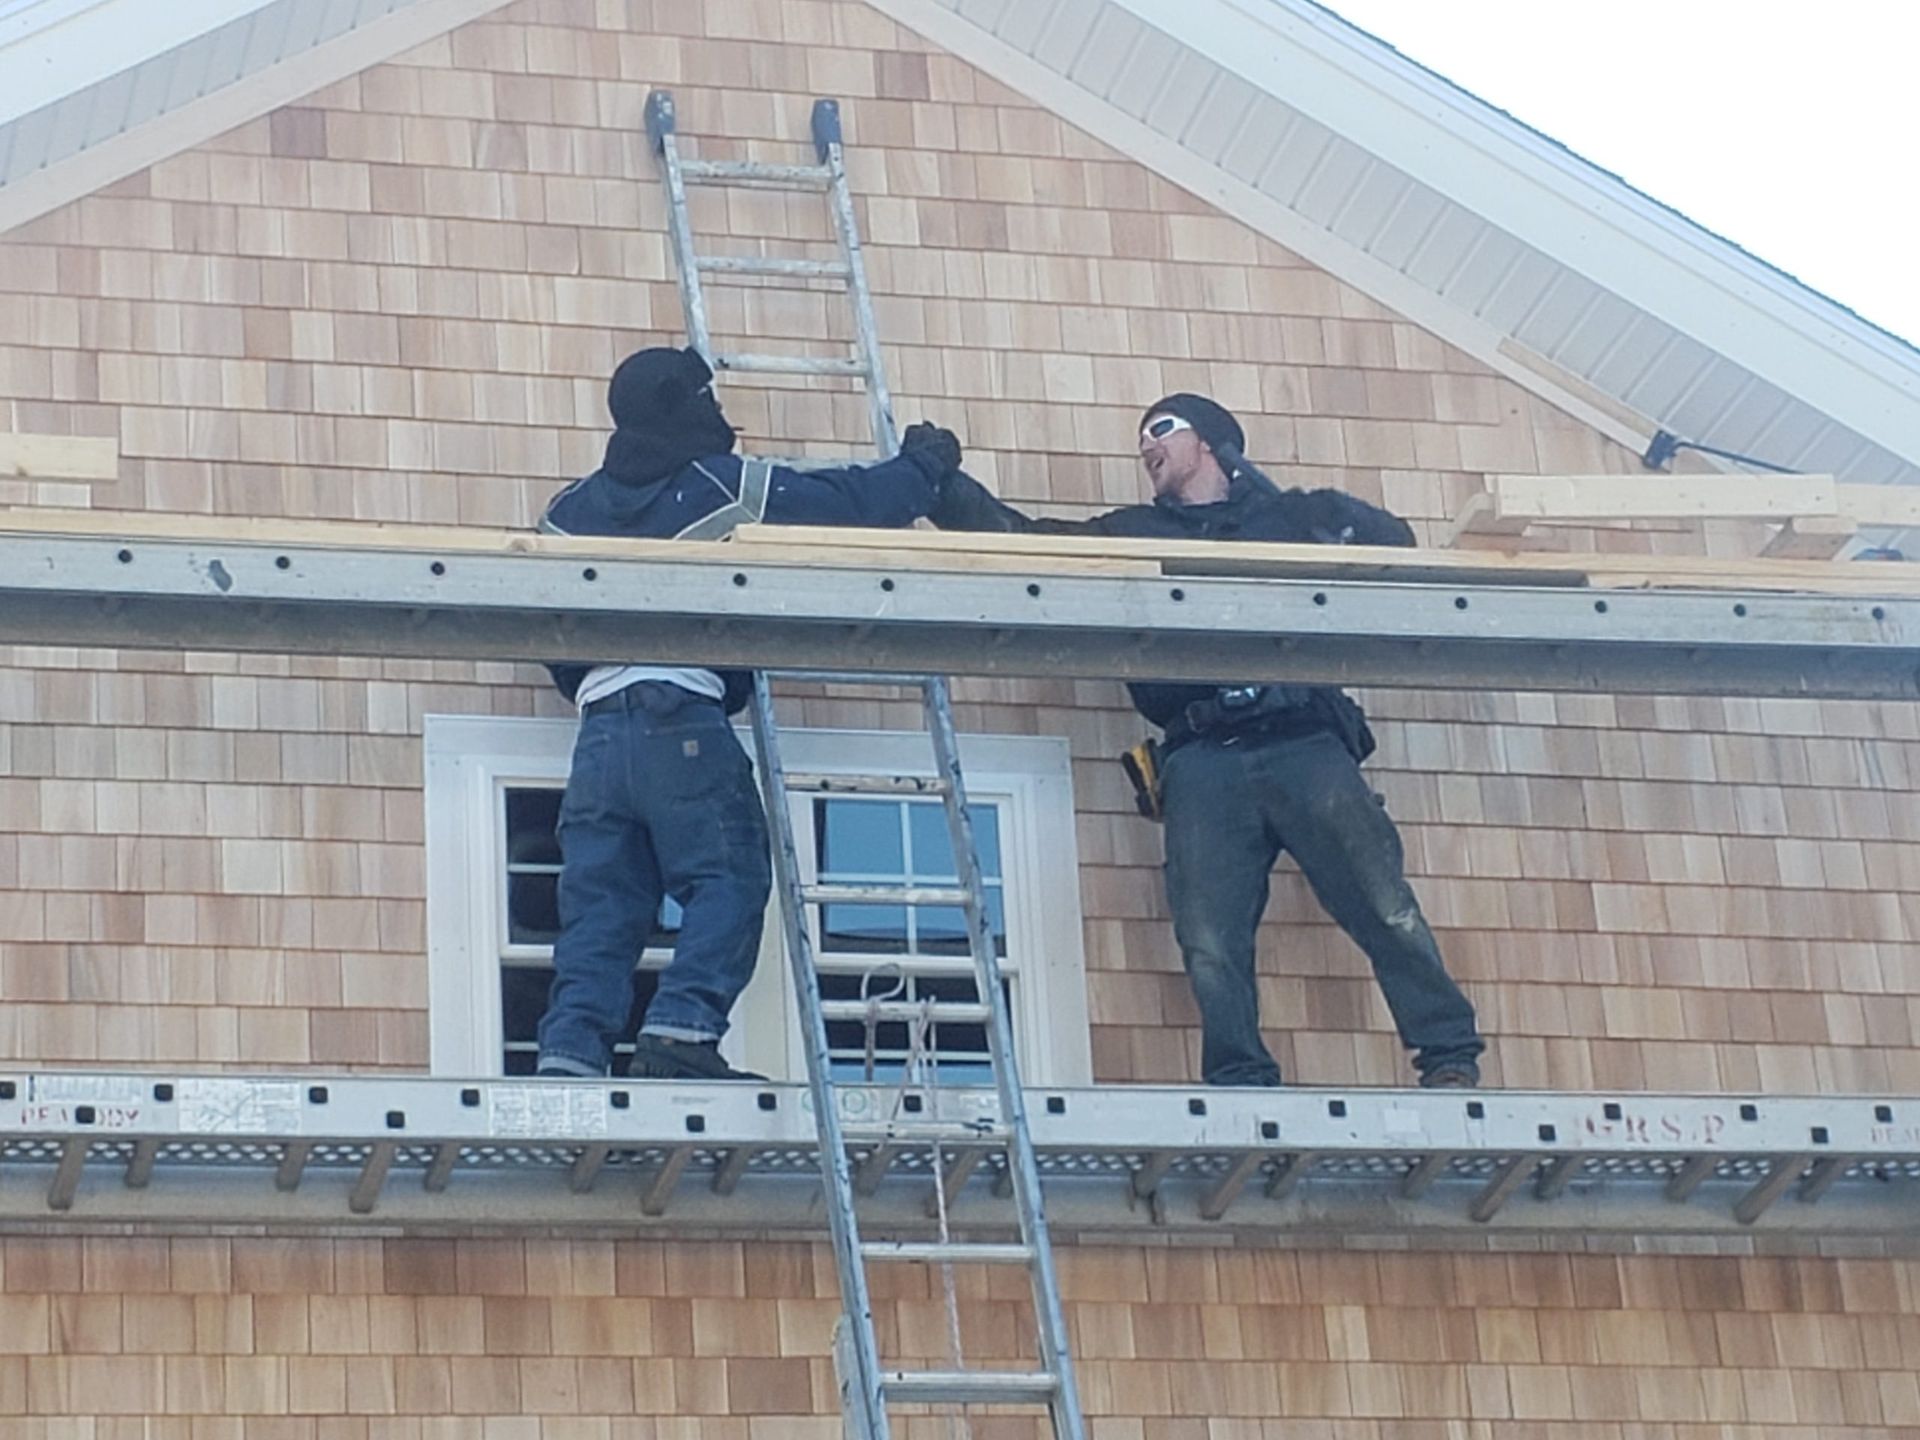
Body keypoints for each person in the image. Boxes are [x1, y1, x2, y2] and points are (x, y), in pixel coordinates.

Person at [930, 393, 1484, 1088]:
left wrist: (1330, 517)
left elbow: (1395, 550)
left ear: (1214, 444)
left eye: (1160, 430)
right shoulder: (1133, 533)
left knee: (1383, 902)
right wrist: (941, 485)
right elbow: (1025, 540)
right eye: (1141, 439)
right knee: (1209, 938)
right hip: (1202, 755)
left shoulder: (1288, 520)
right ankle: (1239, 1079)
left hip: (1303, 740)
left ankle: (1449, 1054)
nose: (1145, 447)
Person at [535, 345, 962, 1080]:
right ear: (687, 406)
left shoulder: (565, 515)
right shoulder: (717, 487)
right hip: (682, 721)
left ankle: (570, 1054)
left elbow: (548, 637)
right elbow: (848, 504)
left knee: (603, 907)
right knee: (727, 875)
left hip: (599, 733)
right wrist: (925, 464)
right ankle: (681, 1032)